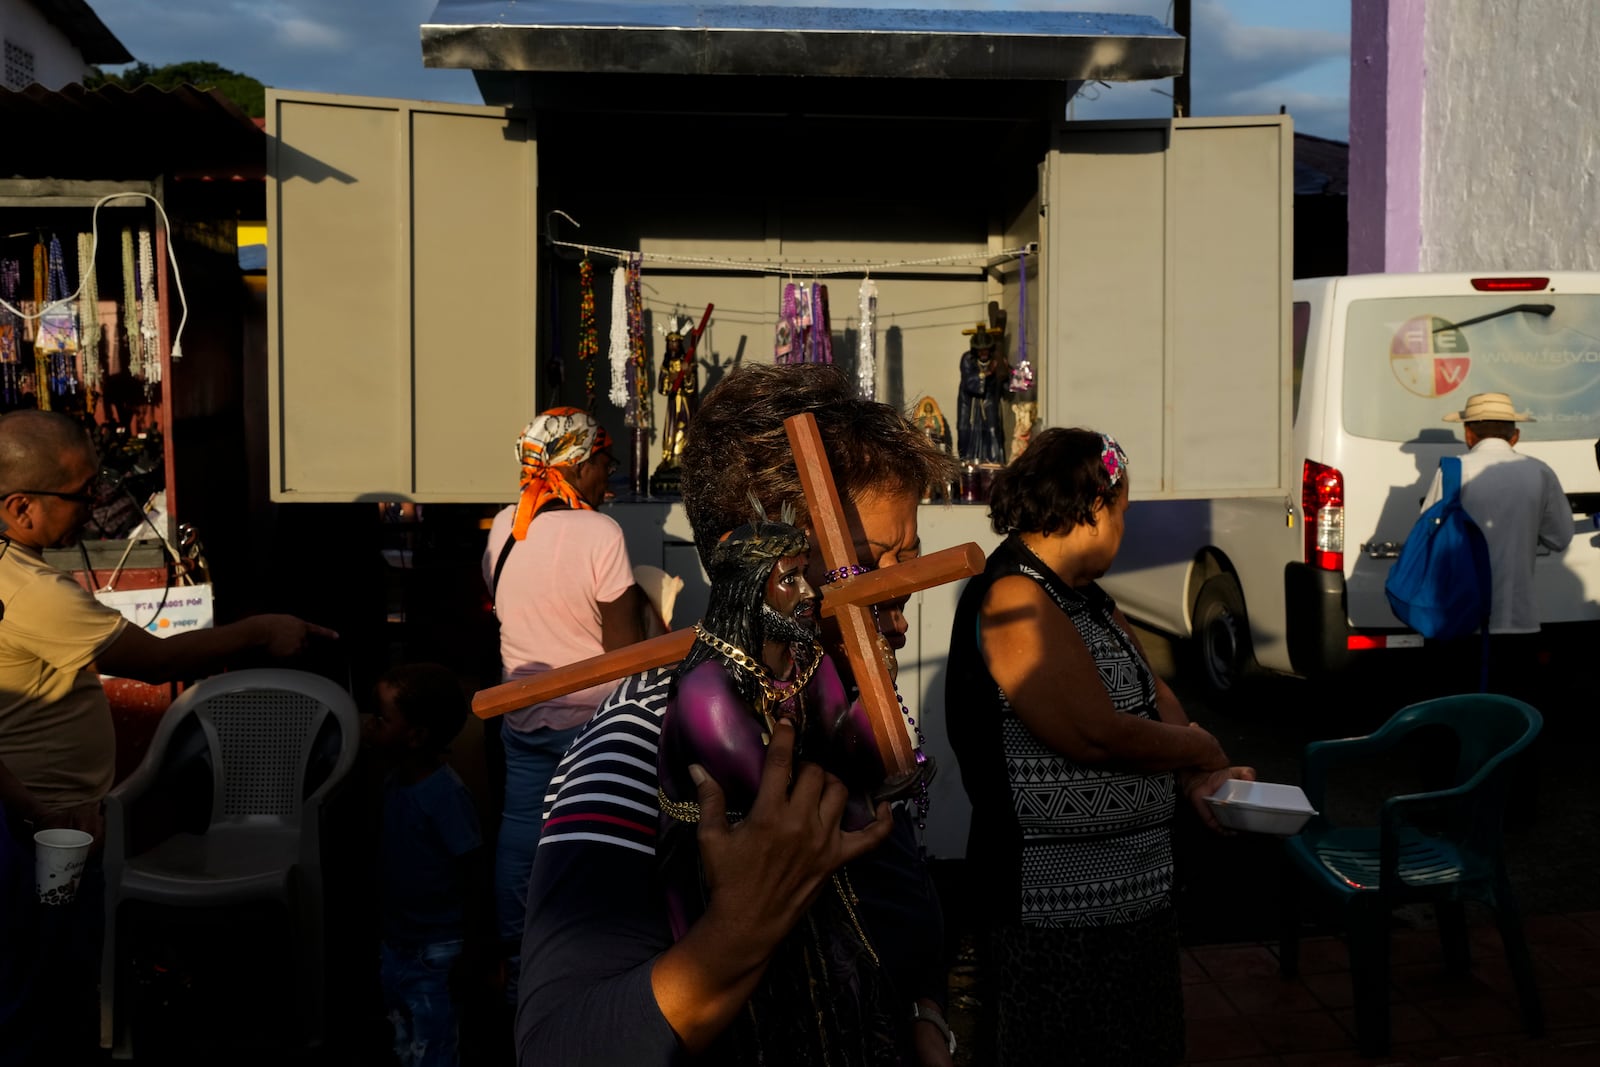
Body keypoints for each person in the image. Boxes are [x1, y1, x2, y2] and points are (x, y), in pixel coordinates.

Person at [518, 363, 961, 1066]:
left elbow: (904, 907)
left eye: (910, 564)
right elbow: (555, 1045)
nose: (900, 614)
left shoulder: (847, 704)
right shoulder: (641, 741)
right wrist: (741, 929)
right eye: (874, 565)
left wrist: (926, 1015)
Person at [0, 409, 335, 1058]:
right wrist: (260, 630)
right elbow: (153, 662)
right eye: (82, 493)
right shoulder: (35, 592)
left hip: (45, 818)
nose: (98, 505)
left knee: (42, 977)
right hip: (41, 826)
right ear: (20, 508)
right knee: (43, 984)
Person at [945, 427, 1255, 1066]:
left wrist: (1204, 773)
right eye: (1124, 510)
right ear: (1092, 507)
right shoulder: (1014, 596)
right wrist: (1199, 754)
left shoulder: (1082, 597)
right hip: (1053, 918)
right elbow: (1093, 733)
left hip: (1129, 906)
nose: (1125, 526)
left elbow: (1151, 695)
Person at [481, 406, 645, 992]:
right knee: (604, 837)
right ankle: (595, 960)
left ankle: (518, 958)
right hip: (595, 727)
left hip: (522, 717)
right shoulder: (601, 533)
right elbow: (625, 648)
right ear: (577, 463)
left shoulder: (504, 527)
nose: (610, 476)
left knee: (522, 837)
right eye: (605, 462)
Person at [366, 662, 487, 1067]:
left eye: (382, 718)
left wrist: (472, 950)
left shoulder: (444, 797)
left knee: (433, 1046)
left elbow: (473, 870)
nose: (371, 724)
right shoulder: (393, 782)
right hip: (398, 943)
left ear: (415, 736)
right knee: (403, 1039)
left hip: (436, 951)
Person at [1423, 392, 1574, 693]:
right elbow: (1560, 537)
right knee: (1514, 705)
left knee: (1461, 704)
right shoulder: (1540, 472)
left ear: (1468, 433)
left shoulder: (1451, 471)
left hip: (1459, 615)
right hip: (1519, 617)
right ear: (1515, 435)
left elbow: (1427, 533)